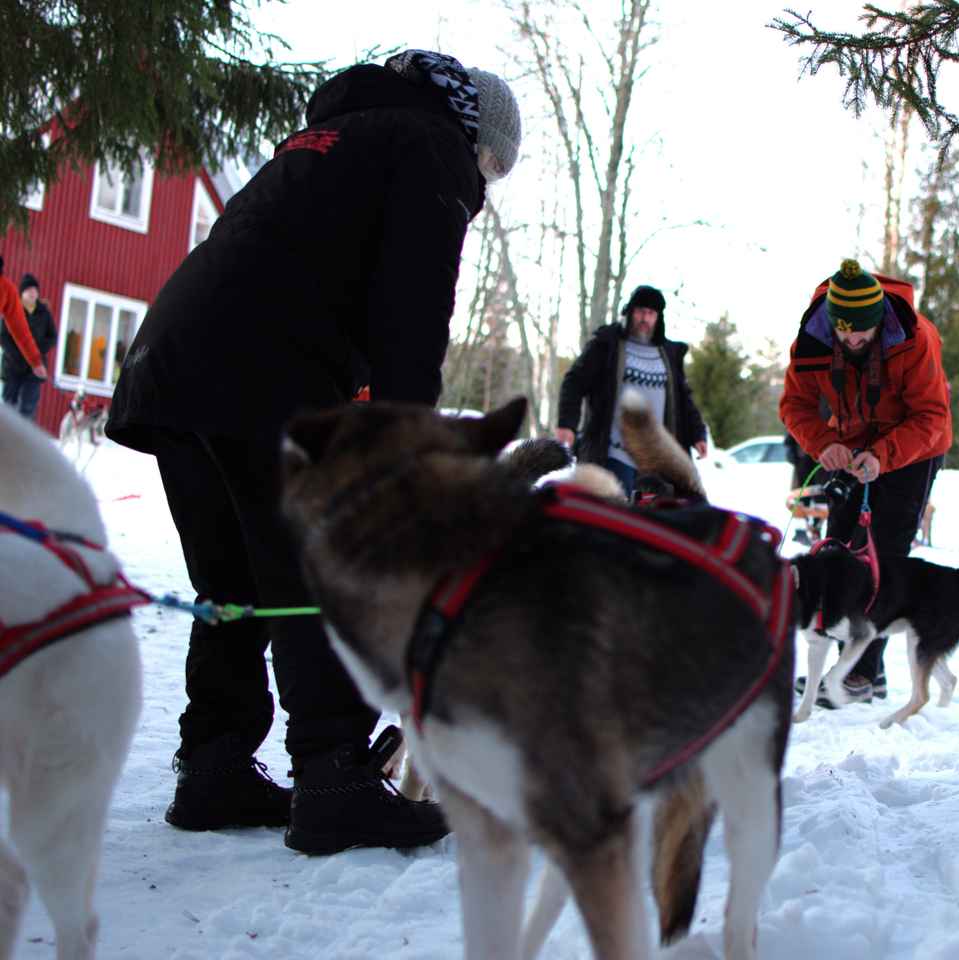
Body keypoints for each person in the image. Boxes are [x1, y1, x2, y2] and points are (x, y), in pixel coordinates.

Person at [105, 50, 522, 855]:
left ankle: (215, 764)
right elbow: (409, 316)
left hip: (171, 359)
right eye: (494, 166)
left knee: (233, 579)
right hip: (257, 369)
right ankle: (334, 781)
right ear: (474, 136)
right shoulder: (431, 147)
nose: (486, 185)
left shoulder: (337, 137)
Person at [780, 259, 952, 703]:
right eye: (845, 334)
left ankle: (860, 674)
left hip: (914, 449)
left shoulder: (915, 338)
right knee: (839, 549)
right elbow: (795, 405)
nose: (854, 341)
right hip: (850, 444)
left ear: (879, 323)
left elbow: (931, 415)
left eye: (863, 334)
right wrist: (824, 444)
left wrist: (883, 455)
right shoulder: (813, 339)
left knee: (883, 554)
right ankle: (854, 667)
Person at [555, 285, 709, 496]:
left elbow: (683, 399)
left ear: (658, 318)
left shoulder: (669, 353)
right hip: (614, 452)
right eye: (640, 311)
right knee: (616, 508)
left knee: (659, 511)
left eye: (651, 313)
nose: (645, 318)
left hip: (658, 456)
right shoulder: (607, 344)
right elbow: (574, 381)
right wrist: (566, 423)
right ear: (630, 312)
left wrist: (697, 433)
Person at [0, 261, 51, 420]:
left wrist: (36, 359)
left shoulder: (6, 289)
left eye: (34, 290)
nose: (32, 294)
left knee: (25, 411)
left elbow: (22, 332)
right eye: (29, 290)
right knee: (9, 405)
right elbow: (4, 335)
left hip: (29, 370)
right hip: (12, 365)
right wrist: (16, 354)